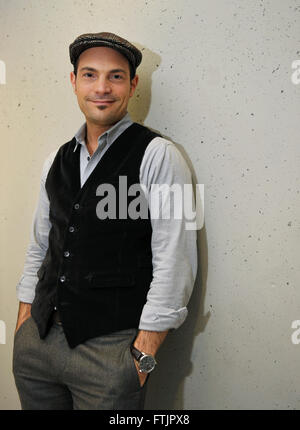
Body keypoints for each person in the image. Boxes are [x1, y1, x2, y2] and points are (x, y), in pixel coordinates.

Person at [12, 32, 198, 410]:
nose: (101, 87)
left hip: (110, 353)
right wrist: (23, 325)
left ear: (132, 86)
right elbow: (41, 246)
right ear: (73, 81)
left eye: (115, 76)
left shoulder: (158, 156)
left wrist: (141, 355)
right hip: (38, 344)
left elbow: (174, 260)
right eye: (89, 74)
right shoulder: (57, 160)